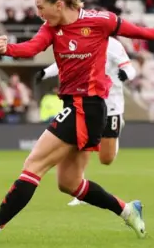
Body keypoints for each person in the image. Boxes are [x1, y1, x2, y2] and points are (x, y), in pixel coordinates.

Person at [0, 0, 154, 243]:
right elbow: (31, 49)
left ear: (59, 5)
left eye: (41, 7)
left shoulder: (99, 21)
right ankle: (127, 210)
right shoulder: (51, 28)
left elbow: (138, 32)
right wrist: (8, 49)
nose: (38, 14)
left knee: (34, 164)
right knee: (69, 183)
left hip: (88, 107)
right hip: (75, 105)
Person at [36, 37, 137, 206]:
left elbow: (129, 68)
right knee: (83, 144)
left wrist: (126, 74)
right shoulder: (79, 40)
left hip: (111, 106)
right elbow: (63, 63)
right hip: (88, 104)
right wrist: (45, 73)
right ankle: (79, 185)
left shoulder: (112, 44)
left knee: (106, 159)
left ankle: (116, 131)